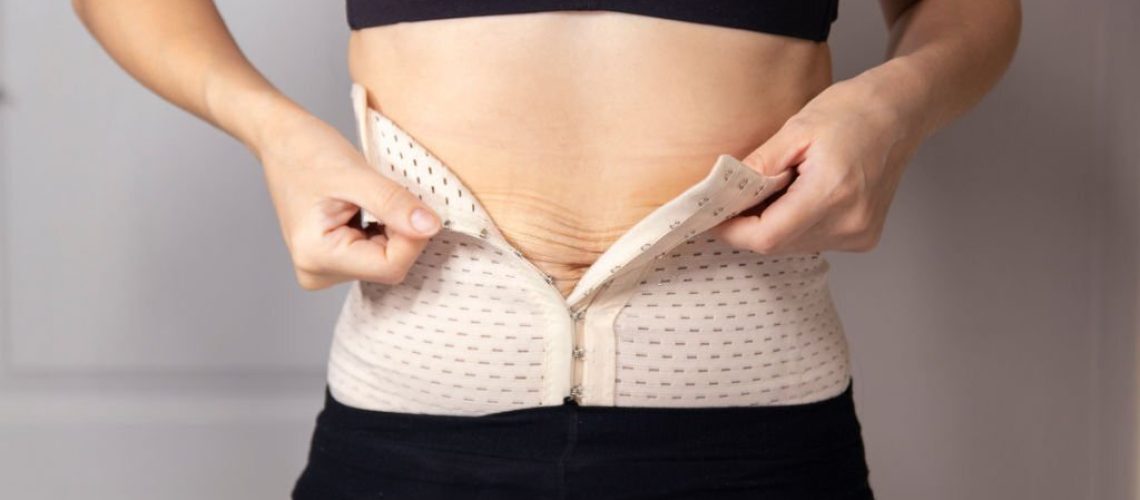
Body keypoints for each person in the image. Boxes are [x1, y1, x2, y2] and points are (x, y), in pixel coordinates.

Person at [73, 1, 1022, 498]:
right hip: (415, 426)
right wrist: (274, 132)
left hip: (752, 428)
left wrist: (892, 104)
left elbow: (971, 7)